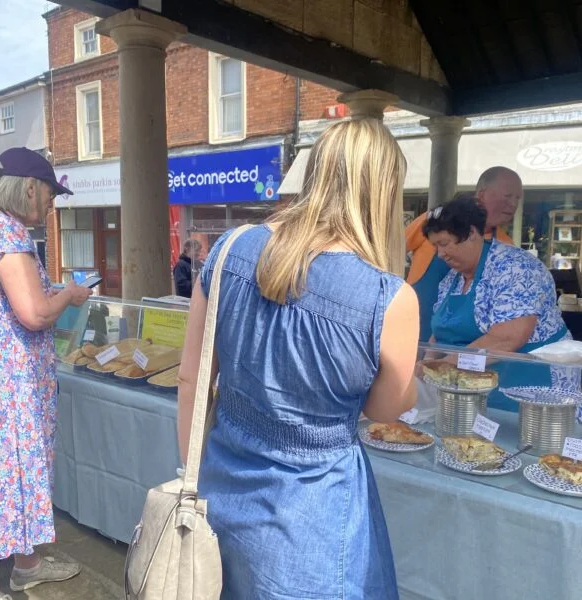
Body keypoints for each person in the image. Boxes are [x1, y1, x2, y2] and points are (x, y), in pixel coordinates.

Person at [177, 118, 419, 599]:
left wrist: (194, 481)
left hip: (221, 485)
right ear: (385, 193)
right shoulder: (388, 298)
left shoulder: (230, 249)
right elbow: (385, 412)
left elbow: (191, 378)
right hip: (314, 517)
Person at [0, 147, 92, 600]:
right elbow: (33, 312)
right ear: (29, 187)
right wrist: (67, 295)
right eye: (49, 194)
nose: (51, 204)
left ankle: (26, 562)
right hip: (7, 388)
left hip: (7, 383)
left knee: (11, 479)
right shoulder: (4, 230)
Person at [423, 195, 571, 411]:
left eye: (444, 244)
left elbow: (507, 338)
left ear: (472, 233)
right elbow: (439, 333)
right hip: (476, 392)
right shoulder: (451, 279)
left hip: (531, 390)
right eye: (435, 246)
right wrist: (427, 362)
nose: (440, 254)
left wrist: (443, 365)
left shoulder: (516, 268)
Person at [406, 166, 522, 340]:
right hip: (411, 327)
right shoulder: (435, 223)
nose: (513, 204)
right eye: (507, 196)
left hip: (463, 347)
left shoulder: (507, 250)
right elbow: (390, 253)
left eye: (517, 198)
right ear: (482, 195)